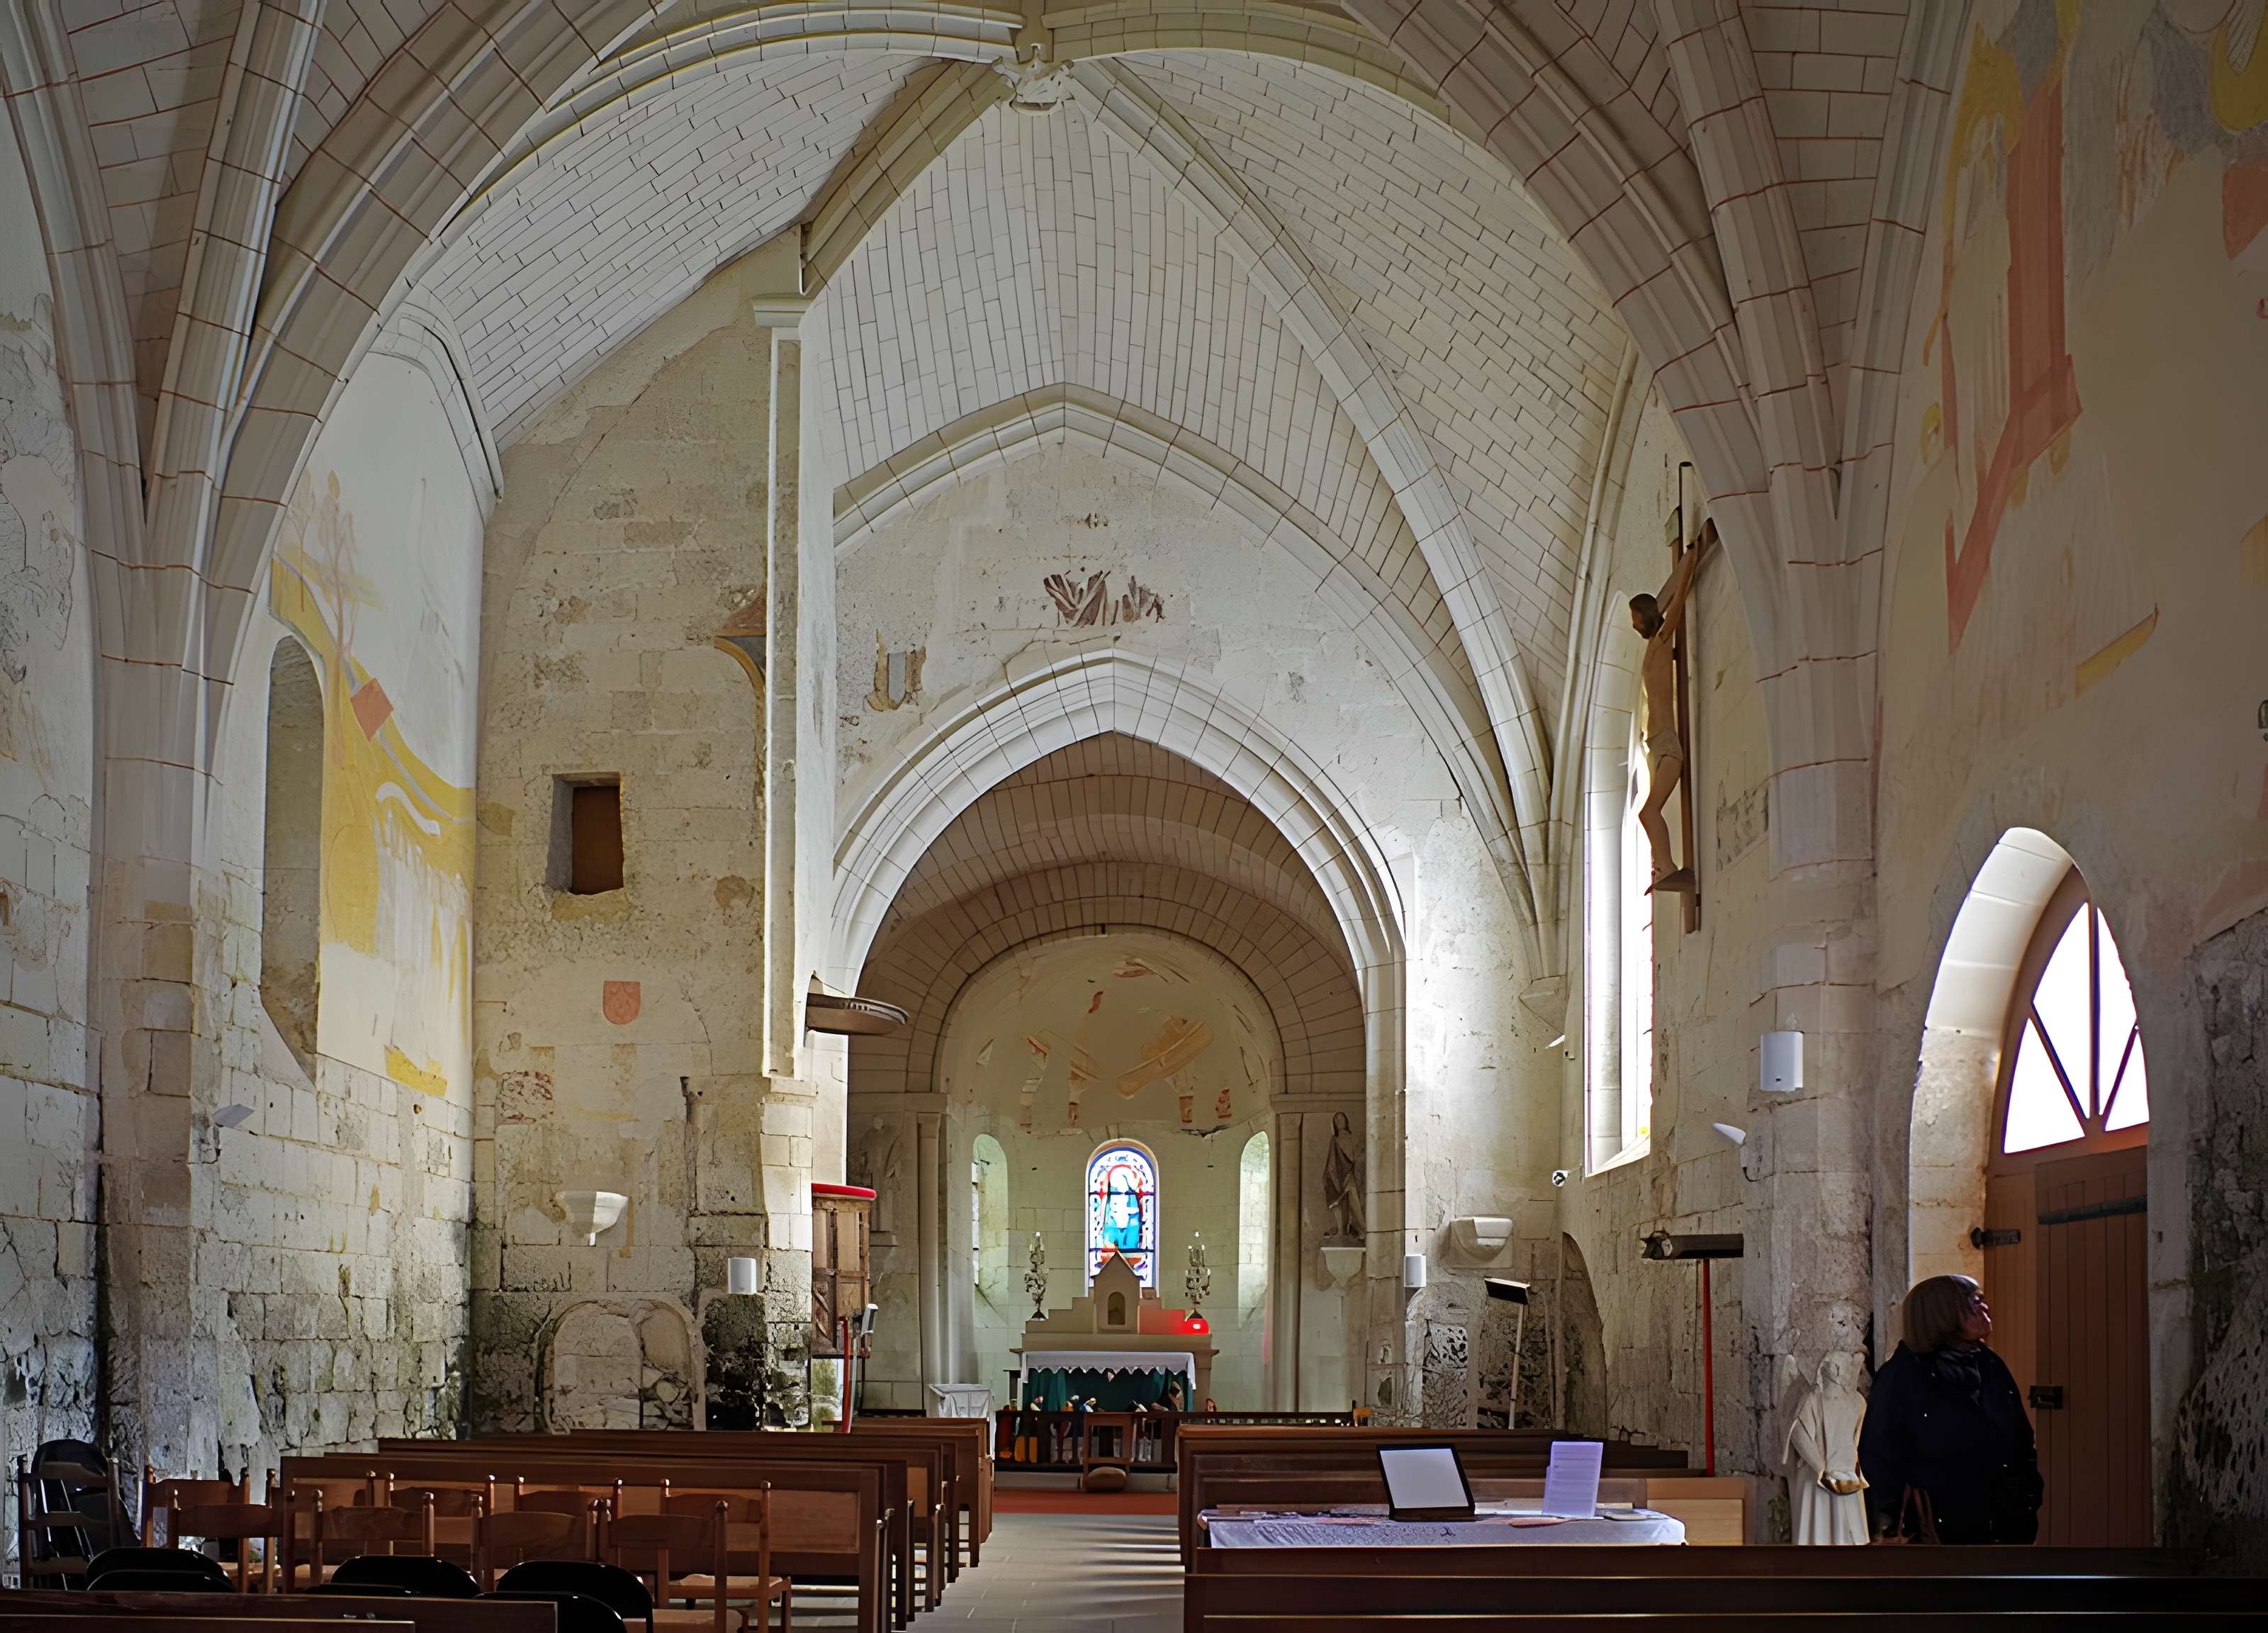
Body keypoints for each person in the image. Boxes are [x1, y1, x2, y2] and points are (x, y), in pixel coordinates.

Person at [1858, 1274, 2043, 1542]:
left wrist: (2027, 1496)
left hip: (2005, 1525)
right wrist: (1895, 1528)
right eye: (1974, 1301)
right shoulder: (1901, 1377)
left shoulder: (1990, 1365)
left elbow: (2020, 1438)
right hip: (1938, 1532)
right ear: (1942, 1313)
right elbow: (1880, 1459)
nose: (1985, 1307)